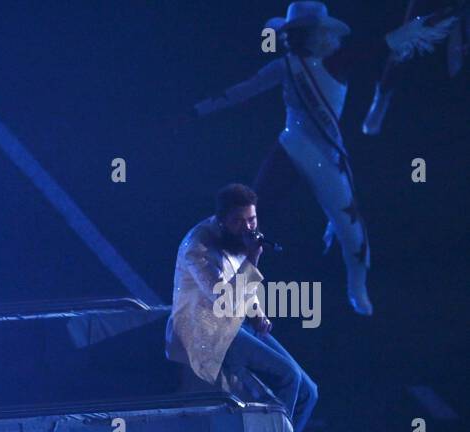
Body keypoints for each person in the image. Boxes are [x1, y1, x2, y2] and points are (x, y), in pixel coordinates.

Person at [191, 2, 454, 315]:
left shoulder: (338, 61)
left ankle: (356, 286)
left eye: (297, 33)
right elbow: (241, 91)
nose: (290, 40)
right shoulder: (284, 66)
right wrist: (198, 110)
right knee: (252, 212)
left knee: (350, 228)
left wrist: (438, 20)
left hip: (325, 155)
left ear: (317, 35)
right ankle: (226, 280)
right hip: (290, 145)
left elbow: (391, 41)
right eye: (288, 34)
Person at [166, 183, 318, 432]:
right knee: (289, 377)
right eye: (240, 221)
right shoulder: (198, 249)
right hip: (206, 329)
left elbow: (240, 282)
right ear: (222, 220)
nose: (248, 228)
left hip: (236, 322)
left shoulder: (236, 237)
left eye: (252, 220)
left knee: (308, 391)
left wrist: (258, 313)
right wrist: (253, 259)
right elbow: (224, 300)